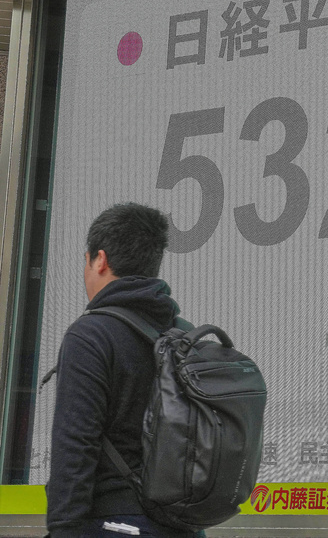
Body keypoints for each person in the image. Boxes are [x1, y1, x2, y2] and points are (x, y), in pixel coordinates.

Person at [46, 203, 201, 538]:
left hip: (113, 521)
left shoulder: (91, 335)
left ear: (99, 259)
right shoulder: (184, 336)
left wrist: (63, 528)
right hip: (181, 526)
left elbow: (75, 444)